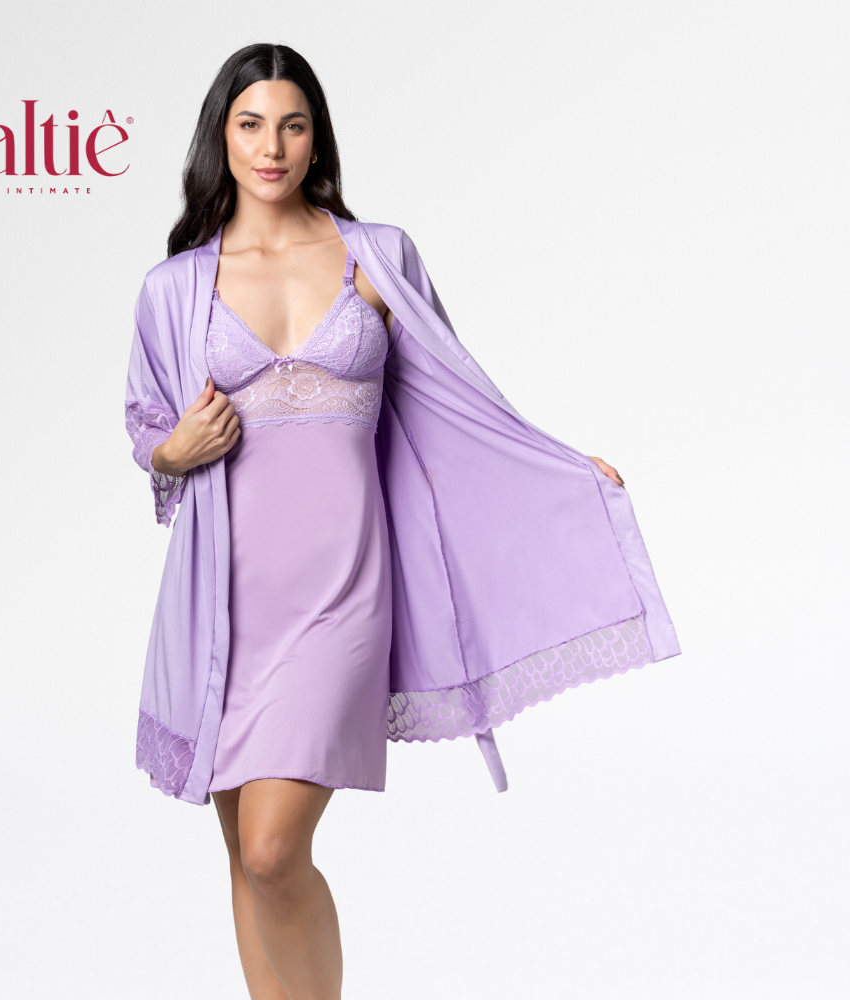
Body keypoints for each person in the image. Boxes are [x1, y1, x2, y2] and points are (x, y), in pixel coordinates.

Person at [125, 43, 679, 1000]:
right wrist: (173, 451)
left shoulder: (378, 256)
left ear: (317, 138)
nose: (272, 147)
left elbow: (456, 400)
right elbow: (146, 428)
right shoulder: (174, 288)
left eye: (292, 125)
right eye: (251, 125)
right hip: (222, 602)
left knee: (273, 851)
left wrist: (557, 463)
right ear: (223, 137)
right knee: (245, 857)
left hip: (341, 590)